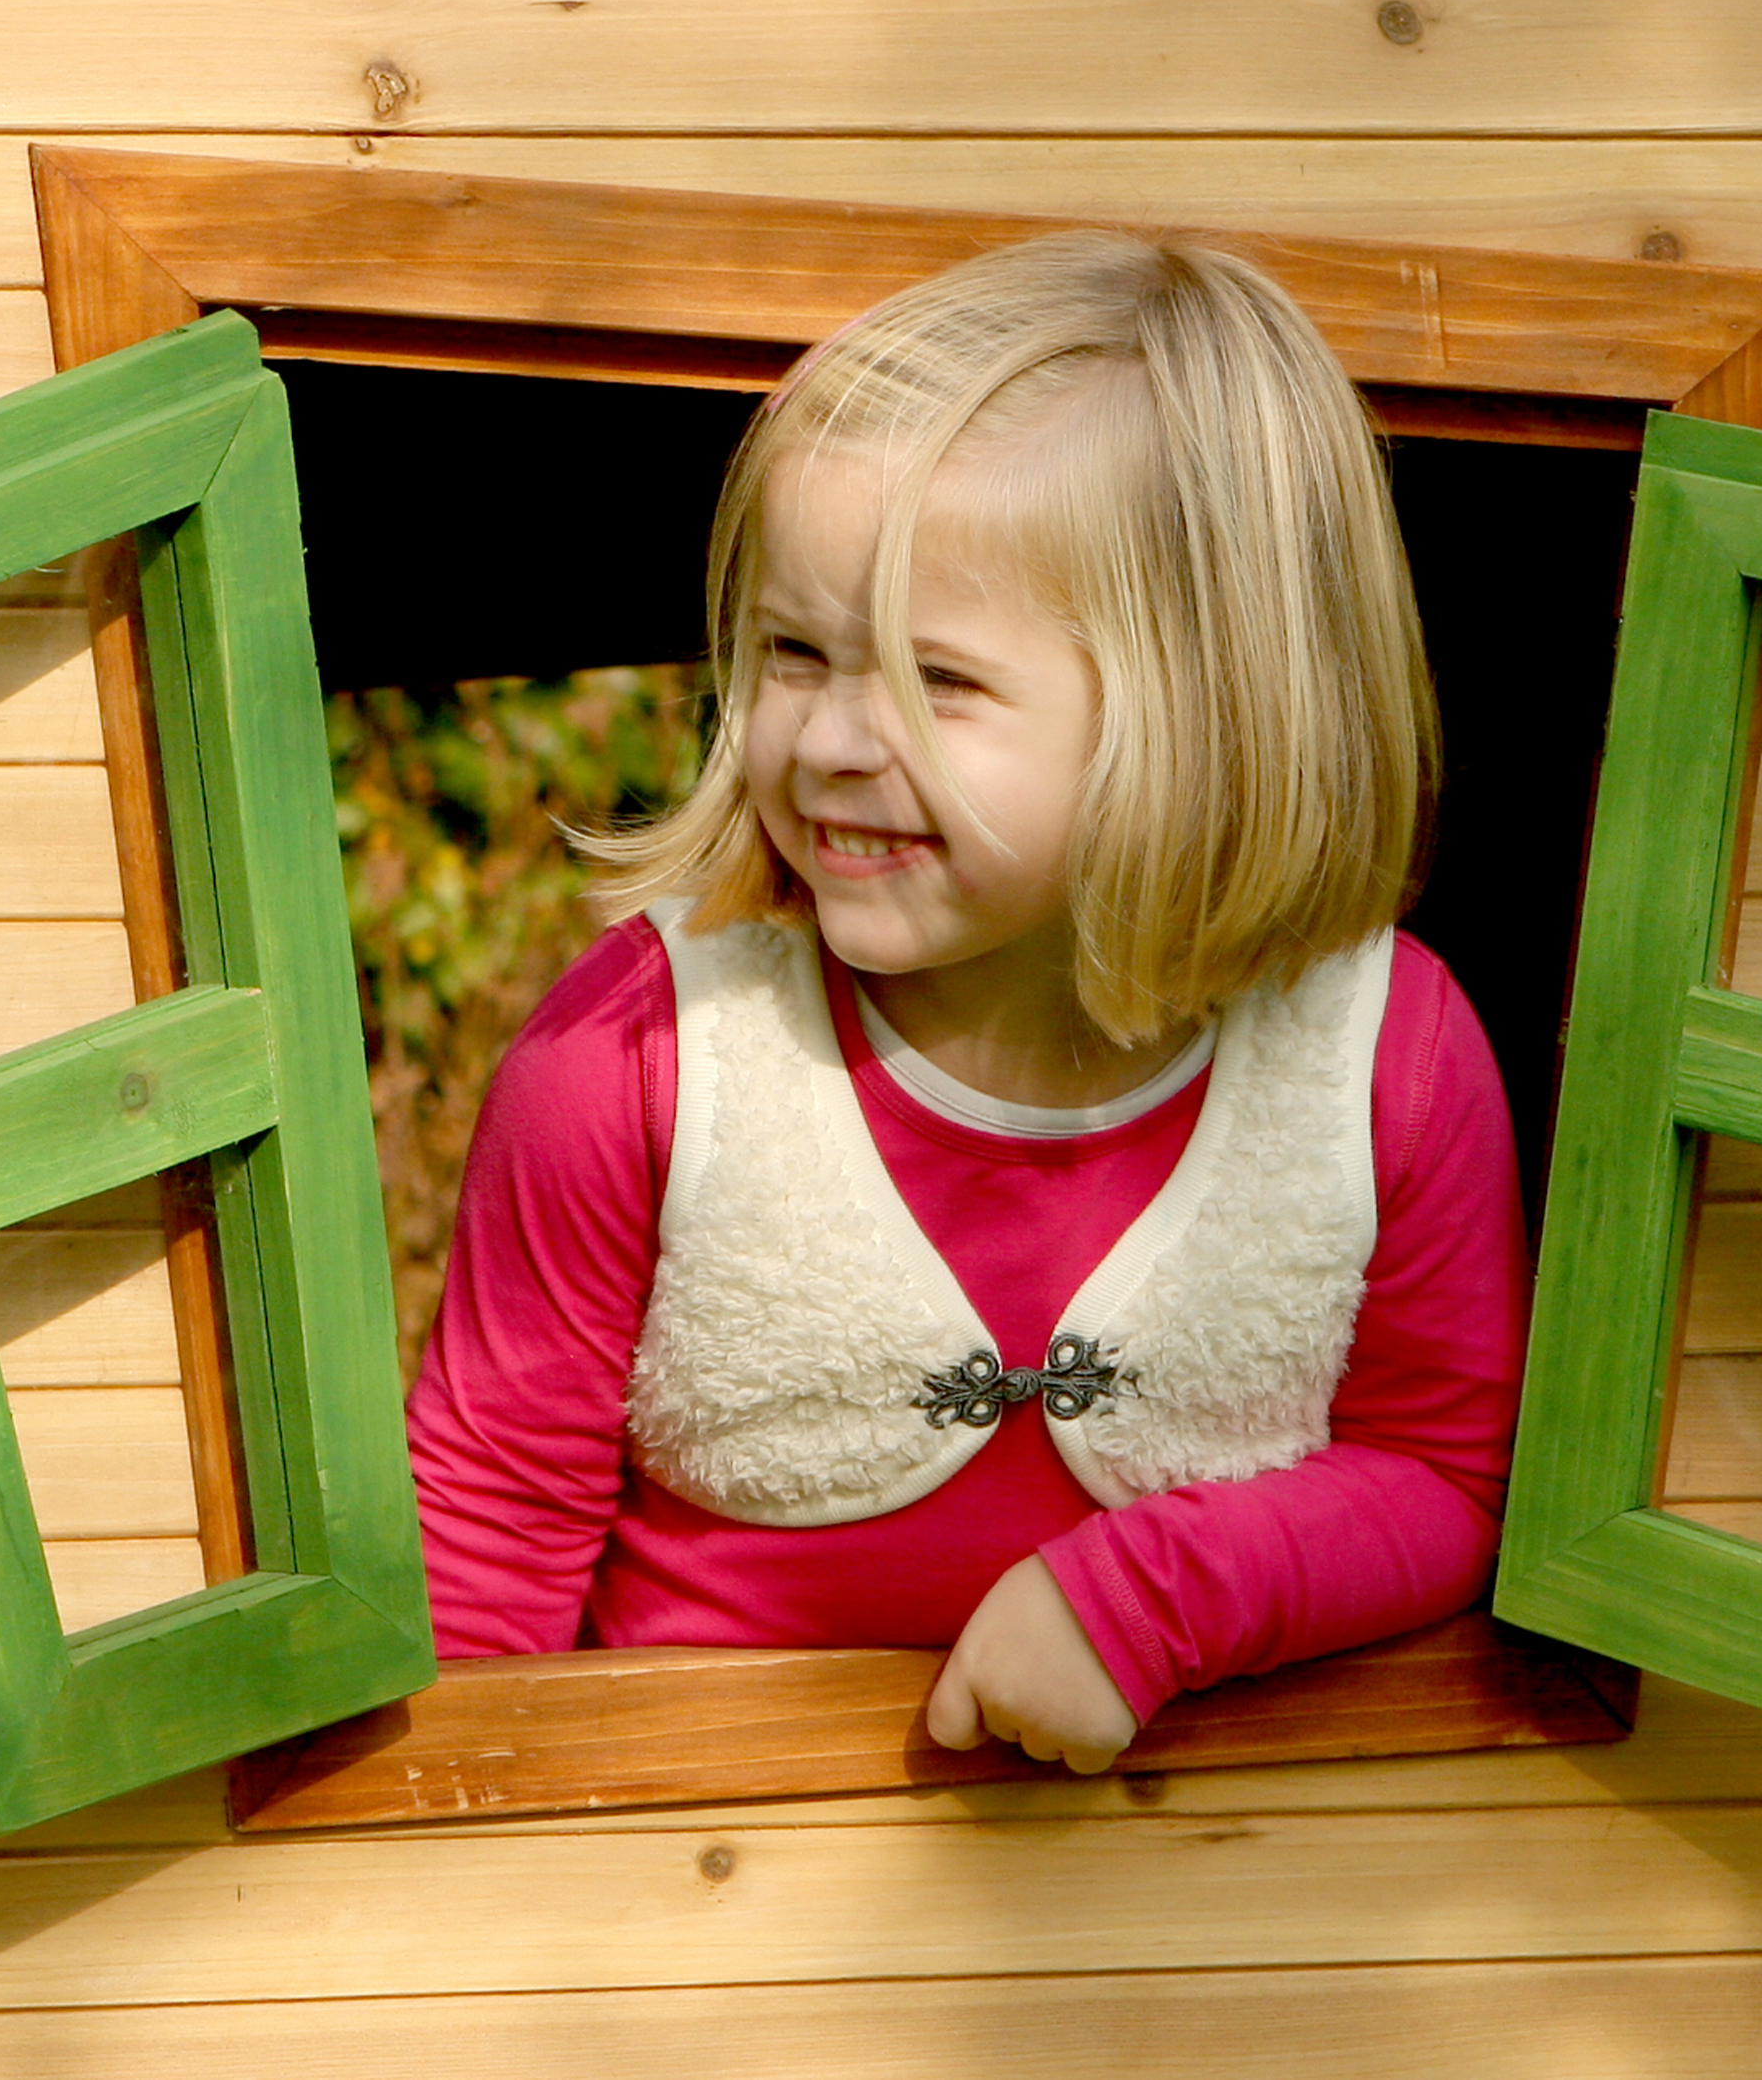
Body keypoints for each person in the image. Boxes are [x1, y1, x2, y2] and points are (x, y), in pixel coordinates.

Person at [406, 229, 1529, 1775]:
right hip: (690, 1877)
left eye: (941, 680)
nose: (831, 740)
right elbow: (482, 1536)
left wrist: (1152, 1599)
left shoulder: (1386, 1054)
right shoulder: (642, 1051)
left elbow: (1441, 1474)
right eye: (797, 653)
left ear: (1201, 711)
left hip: (1208, 1895)